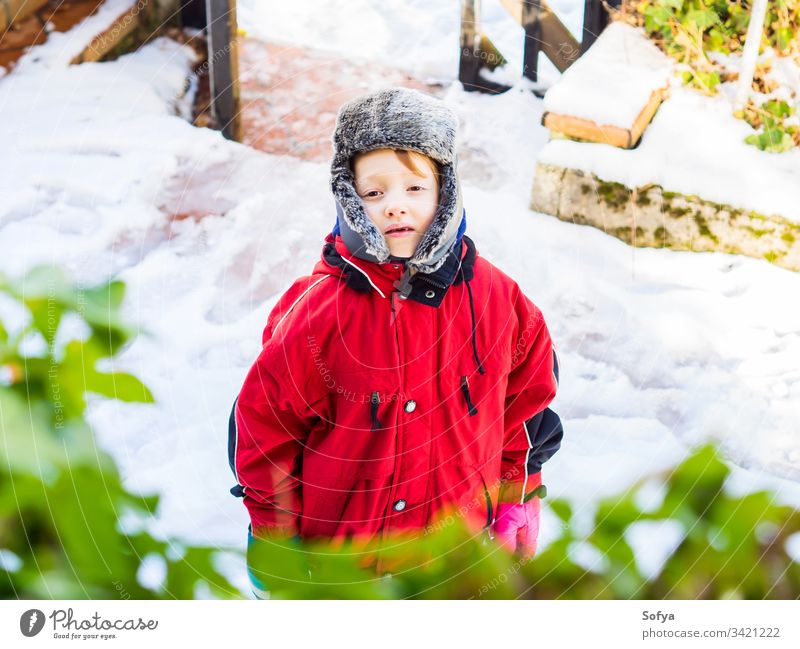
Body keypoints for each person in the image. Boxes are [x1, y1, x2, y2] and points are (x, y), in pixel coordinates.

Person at [228, 87, 563, 590]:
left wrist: (518, 498)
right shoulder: (317, 314)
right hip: (345, 569)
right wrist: (276, 545)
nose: (394, 208)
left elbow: (525, 413)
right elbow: (264, 434)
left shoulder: (499, 300)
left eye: (414, 188)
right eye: (374, 192)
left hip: (459, 558)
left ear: (444, 190)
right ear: (349, 196)